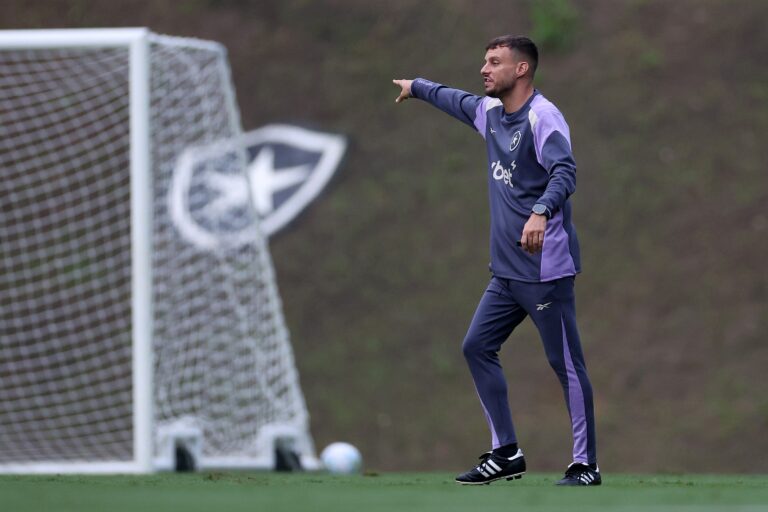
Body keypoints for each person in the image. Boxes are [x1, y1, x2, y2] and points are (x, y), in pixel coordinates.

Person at [392, 35, 600, 486]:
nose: (484, 69)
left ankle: (585, 465)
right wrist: (417, 85)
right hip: (505, 275)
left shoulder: (543, 116)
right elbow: (455, 99)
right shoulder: (489, 114)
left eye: (494, 62)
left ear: (521, 70)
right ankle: (506, 452)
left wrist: (541, 211)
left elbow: (565, 171)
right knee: (476, 347)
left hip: (545, 273)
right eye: (484, 61)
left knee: (565, 365)